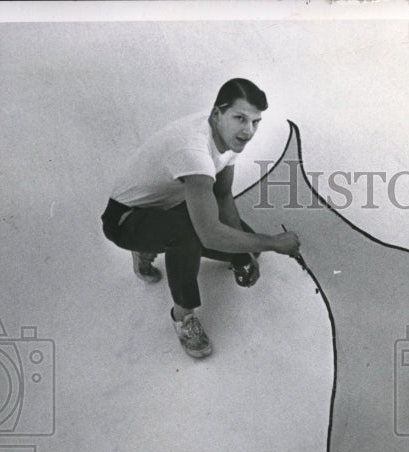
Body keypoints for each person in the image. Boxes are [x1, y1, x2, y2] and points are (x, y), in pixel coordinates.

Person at [101, 78, 302, 358]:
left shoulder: (225, 135)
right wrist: (274, 242)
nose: (248, 130)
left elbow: (222, 195)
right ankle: (183, 316)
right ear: (217, 113)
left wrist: (244, 254)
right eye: (240, 118)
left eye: (256, 122)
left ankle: (153, 240)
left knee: (247, 245)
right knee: (188, 236)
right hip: (125, 219)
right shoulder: (192, 151)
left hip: (167, 205)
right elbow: (209, 233)